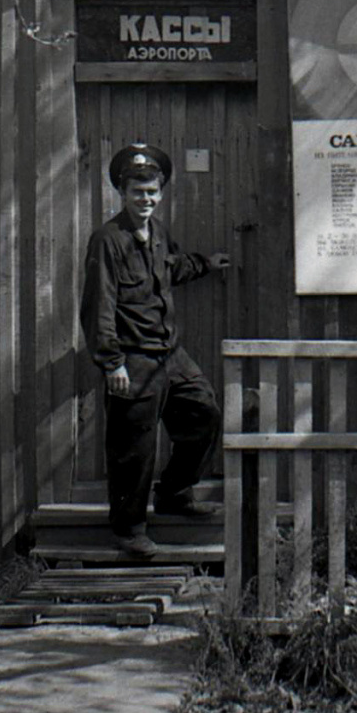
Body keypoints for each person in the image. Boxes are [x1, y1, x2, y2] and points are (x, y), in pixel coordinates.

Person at [80, 143, 230, 561]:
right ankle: (129, 529)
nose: (145, 200)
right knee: (134, 447)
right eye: (137, 193)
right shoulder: (107, 240)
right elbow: (98, 306)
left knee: (204, 413)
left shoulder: (159, 232)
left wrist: (206, 263)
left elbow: (173, 269)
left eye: (152, 193)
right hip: (133, 358)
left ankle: (175, 493)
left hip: (170, 353)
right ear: (122, 194)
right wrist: (112, 363)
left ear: (160, 193)